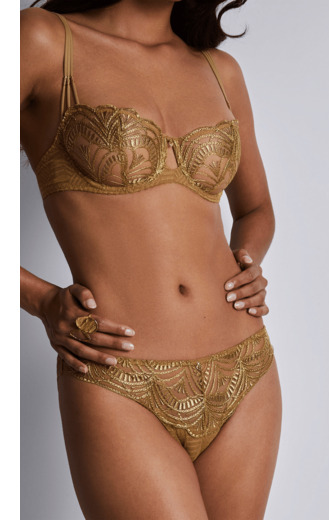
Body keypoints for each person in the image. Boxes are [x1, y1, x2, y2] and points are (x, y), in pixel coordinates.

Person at [20, 1, 282, 518]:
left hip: (246, 367)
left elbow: (256, 208)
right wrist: (42, 299)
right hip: (115, 374)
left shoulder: (219, 70)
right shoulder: (42, 41)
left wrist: (248, 260)